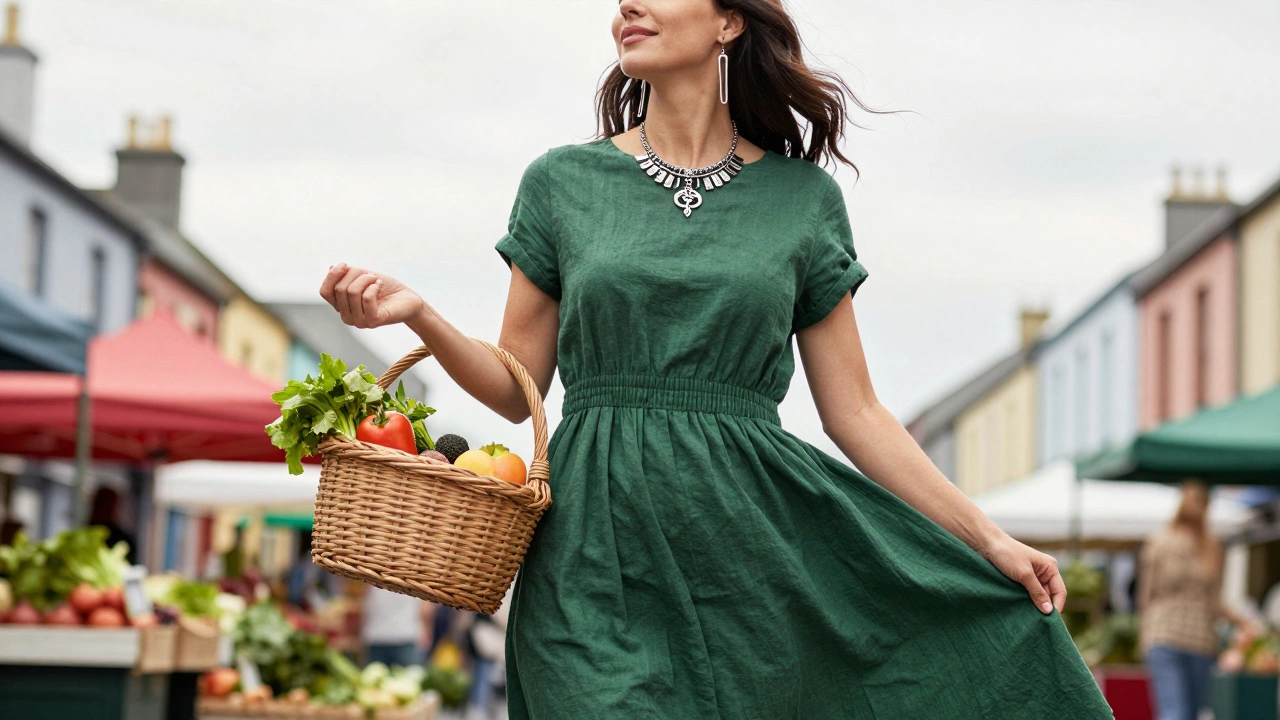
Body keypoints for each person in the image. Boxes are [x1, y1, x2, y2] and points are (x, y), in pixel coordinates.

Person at [316, 0, 1114, 716]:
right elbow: (513, 389)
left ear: (729, 21)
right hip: (592, 547)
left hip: (753, 548)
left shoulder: (804, 201)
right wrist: (420, 313)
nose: (626, 5)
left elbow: (857, 412)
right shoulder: (562, 183)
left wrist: (990, 541)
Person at [1137, 479, 1259, 720]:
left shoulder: (1212, 546)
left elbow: (1215, 601)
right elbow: (1146, 595)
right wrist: (1144, 633)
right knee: (1175, 713)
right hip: (1165, 635)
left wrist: (1243, 622)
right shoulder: (1160, 542)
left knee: (1192, 714)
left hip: (1200, 640)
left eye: (1203, 501)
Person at [360, 585, 432, 668]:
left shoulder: (372, 578)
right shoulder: (416, 579)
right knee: (410, 678)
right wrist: (427, 632)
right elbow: (426, 610)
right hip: (406, 636)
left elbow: (365, 606)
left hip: (377, 637)